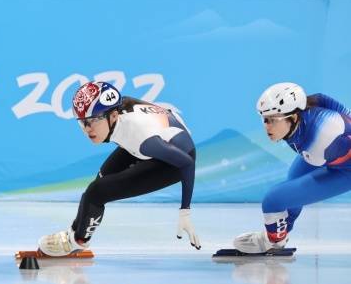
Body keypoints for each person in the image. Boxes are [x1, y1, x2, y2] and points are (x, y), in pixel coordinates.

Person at [38, 81, 200, 256]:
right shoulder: (117, 113)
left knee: (97, 192)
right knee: (101, 178)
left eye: (92, 121)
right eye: (82, 122)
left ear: (113, 115)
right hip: (156, 137)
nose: (87, 129)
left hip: (174, 162)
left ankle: (77, 241)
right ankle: (74, 232)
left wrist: (185, 212)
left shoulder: (143, 139)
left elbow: (188, 163)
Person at [233, 83, 351, 254]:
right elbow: (322, 97)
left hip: (343, 167)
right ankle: (280, 234)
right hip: (332, 152)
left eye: (272, 120)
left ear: (294, 118)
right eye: (264, 119)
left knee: (273, 201)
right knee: (291, 185)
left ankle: (275, 241)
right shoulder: (309, 106)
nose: (267, 126)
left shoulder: (320, 140)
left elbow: (318, 162)